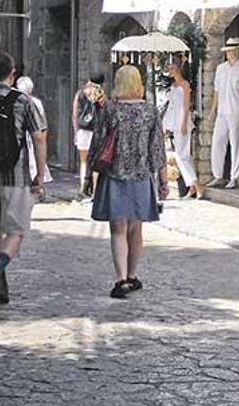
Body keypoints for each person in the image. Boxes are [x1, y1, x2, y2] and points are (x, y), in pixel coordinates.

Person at [85, 65, 168, 299]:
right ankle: (133, 275)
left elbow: (97, 143)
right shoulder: (151, 112)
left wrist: (88, 176)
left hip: (114, 175)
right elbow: (157, 150)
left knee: (117, 229)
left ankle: (120, 279)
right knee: (136, 228)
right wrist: (163, 181)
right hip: (141, 177)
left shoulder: (110, 110)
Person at [0, 52, 48, 304]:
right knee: (15, 232)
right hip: (16, 178)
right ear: (12, 74)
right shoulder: (23, 101)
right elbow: (39, 137)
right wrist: (40, 173)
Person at [207, 38, 239, 189]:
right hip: (222, 112)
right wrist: (213, 111)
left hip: (236, 112)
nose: (229, 54)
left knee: (236, 144)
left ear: (237, 52)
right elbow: (217, 92)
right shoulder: (221, 69)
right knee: (218, 142)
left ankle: (235, 176)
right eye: (227, 51)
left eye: (231, 51)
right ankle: (218, 175)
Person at [163, 61, 201, 200]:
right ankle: (191, 187)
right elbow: (171, 106)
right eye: (169, 68)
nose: (170, 71)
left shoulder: (185, 85)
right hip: (174, 120)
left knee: (181, 155)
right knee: (183, 155)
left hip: (182, 120)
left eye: (173, 68)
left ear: (179, 69)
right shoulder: (173, 86)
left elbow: (186, 105)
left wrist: (185, 122)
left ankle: (197, 185)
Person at [71, 73, 106, 201]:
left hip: (83, 130)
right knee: (96, 162)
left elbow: (75, 114)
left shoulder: (80, 93)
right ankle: (96, 192)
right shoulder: (101, 94)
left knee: (83, 161)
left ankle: (83, 188)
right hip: (96, 131)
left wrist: (75, 131)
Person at [14, 77, 53, 190]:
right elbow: (43, 124)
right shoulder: (37, 102)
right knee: (34, 158)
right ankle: (39, 182)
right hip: (34, 134)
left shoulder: (18, 101)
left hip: (26, 135)